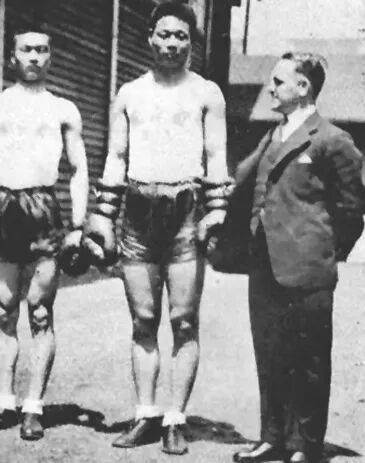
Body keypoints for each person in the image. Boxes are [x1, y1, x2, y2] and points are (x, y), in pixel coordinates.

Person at [84, 1, 231, 455]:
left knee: (184, 321)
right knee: (143, 320)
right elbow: (116, 156)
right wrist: (103, 215)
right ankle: (146, 414)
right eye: (164, 34)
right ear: (149, 37)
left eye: (181, 36)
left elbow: (216, 155)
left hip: (186, 212)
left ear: (192, 42)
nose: (171, 44)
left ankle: (174, 418)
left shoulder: (207, 93)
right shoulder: (130, 94)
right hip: (138, 213)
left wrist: (216, 209)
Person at [0, 29, 89, 440]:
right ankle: (4, 403)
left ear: (50, 57)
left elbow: (79, 169)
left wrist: (77, 226)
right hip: (0, 211)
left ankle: (33, 407)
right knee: (2, 312)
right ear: (13, 56)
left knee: (41, 312)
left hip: (42, 211)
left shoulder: (63, 109)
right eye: (26, 49)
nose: (34, 56)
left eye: (41, 50)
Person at [231, 53, 364, 463]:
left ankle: (306, 445)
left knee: (309, 359)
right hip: (264, 263)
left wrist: (324, 252)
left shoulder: (332, 139)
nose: (270, 88)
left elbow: (352, 209)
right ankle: (272, 437)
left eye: (278, 82)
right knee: (269, 353)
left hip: (308, 268)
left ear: (303, 86)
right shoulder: (272, 135)